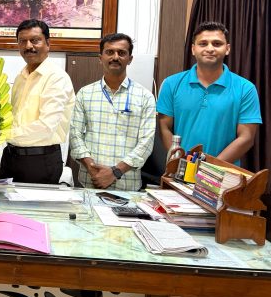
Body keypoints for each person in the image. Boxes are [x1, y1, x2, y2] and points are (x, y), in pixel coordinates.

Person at [157, 21, 262, 165]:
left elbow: (246, 138)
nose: (210, 48)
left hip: (222, 174)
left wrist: (207, 169)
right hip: (180, 171)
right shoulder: (171, 84)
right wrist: (181, 165)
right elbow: (164, 128)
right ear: (193, 49)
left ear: (227, 49)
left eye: (217, 44)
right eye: (203, 44)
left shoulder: (246, 88)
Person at [70, 33, 156, 191]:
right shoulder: (85, 93)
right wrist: (93, 169)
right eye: (109, 52)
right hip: (90, 182)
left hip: (127, 187)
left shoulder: (145, 97)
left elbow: (146, 142)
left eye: (121, 53)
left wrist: (115, 172)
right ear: (100, 58)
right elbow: (75, 135)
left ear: (130, 59)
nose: (115, 57)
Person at [0, 19, 75, 184]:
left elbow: (46, 127)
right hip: (10, 157)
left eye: (35, 40)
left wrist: (2, 135)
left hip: (40, 161)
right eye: (22, 41)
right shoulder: (20, 77)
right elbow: (14, 117)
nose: (28, 46)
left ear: (48, 43)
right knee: (2, 200)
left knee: (33, 202)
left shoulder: (57, 78)